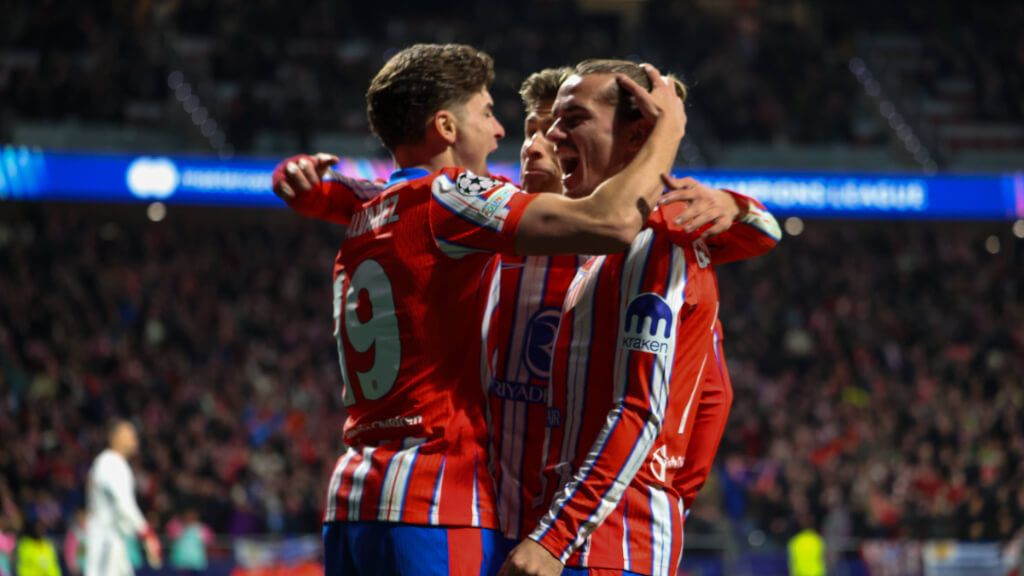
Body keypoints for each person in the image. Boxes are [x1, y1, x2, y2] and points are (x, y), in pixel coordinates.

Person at [271, 44, 686, 576]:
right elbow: (610, 222)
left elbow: (352, 189)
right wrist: (669, 133)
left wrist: (307, 183)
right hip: (436, 497)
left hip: (352, 496)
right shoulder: (452, 197)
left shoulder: (375, 208)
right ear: (446, 126)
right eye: (488, 114)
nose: (498, 133)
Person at [500, 59, 780, 576]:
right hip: (578, 531)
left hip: (601, 543)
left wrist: (557, 537)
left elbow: (645, 409)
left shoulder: (654, 237)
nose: (550, 138)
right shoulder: (587, 246)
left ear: (636, 137)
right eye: (538, 127)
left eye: (571, 120)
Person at [84, 420, 162, 576]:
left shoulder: (109, 462)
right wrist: (147, 533)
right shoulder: (111, 462)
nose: (134, 438)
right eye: (129, 434)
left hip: (113, 540)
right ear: (114, 437)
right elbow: (124, 505)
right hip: (105, 541)